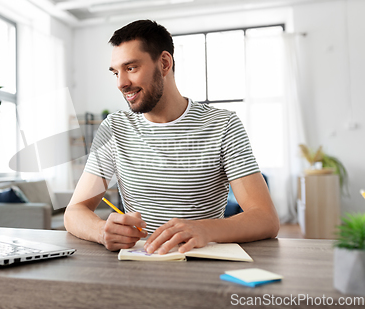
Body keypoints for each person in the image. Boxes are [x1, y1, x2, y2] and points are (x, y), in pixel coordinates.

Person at [64, 20, 279, 255]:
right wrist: (101, 230)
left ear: (164, 63)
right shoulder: (114, 128)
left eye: (131, 68)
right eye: (116, 72)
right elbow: (74, 211)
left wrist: (205, 229)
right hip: (138, 265)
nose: (121, 83)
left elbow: (265, 218)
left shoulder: (223, 125)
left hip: (202, 265)